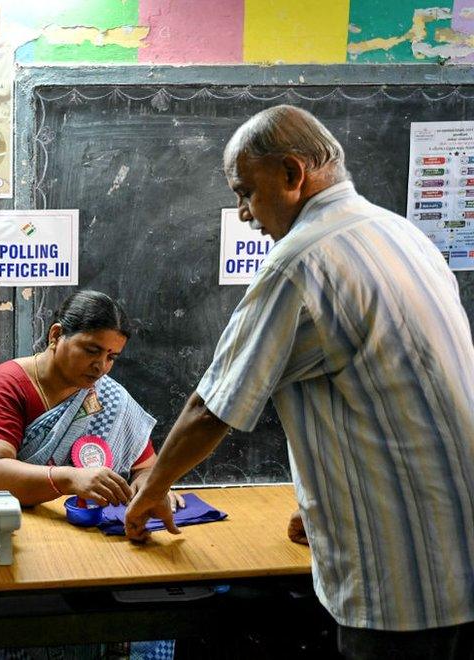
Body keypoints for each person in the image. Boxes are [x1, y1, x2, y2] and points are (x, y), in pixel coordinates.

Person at [125, 105, 474, 659]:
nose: (242, 212)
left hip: (400, 584)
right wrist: (326, 506)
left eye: (245, 192)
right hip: (459, 553)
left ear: (292, 174)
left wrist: (151, 491)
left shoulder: (302, 261)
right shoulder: (403, 234)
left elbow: (213, 406)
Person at [0, 289, 182, 513]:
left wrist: (149, 486)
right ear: (56, 335)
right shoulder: (7, 386)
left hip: (71, 526)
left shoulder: (108, 395)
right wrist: (69, 478)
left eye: (111, 357)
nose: (101, 366)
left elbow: (145, 467)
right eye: (91, 350)